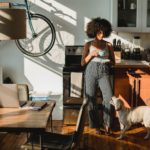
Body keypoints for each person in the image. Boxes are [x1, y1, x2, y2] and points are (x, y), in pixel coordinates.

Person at [81, 17, 115, 135]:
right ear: (94, 31)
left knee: (109, 98)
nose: (102, 34)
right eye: (99, 32)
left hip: (104, 72)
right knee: (91, 99)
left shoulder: (108, 45)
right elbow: (83, 63)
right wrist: (91, 54)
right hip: (91, 71)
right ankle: (95, 126)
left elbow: (113, 62)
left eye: (103, 32)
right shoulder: (88, 44)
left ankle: (107, 124)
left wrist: (108, 60)